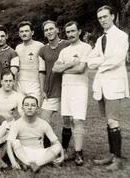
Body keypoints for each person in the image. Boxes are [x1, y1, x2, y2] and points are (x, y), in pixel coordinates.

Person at [88, 5, 130, 171]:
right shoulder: (100, 39)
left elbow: (117, 59)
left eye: (105, 16)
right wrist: (100, 62)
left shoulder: (121, 36)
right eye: (100, 18)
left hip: (114, 84)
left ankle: (118, 160)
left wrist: (99, 63)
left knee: (113, 120)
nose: (103, 20)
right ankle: (112, 155)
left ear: (113, 16)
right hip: (102, 85)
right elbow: (91, 60)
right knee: (108, 120)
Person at [52, 21, 92, 166]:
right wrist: (69, 64)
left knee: (78, 120)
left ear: (79, 31)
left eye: (73, 31)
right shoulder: (64, 51)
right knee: (66, 120)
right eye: (68, 32)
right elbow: (55, 69)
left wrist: (64, 69)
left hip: (80, 87)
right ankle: (65, 150)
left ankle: (78, 153)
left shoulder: (86, 47)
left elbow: (81, 69)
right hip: (66, 87)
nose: (70, 34)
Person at [6, 96, 64, 173]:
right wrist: (13, 162)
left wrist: (62, 156)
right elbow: (9, 144)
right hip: (24, 153)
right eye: (26, 105)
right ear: (22, 108)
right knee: (15, 142)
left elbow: (56, 142)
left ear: (37, 108)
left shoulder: (43, 123)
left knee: (57, 147)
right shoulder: (17, 124)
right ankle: (30, 163)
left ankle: (34, 164)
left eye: (33, 105)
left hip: (40, 153)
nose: (29, 108)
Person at [37, 21, 71, 149]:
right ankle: (46, 148)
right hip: (51, 88)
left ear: (57, 30)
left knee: (67, 120)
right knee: (44, 120)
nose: (49, 32)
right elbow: (42, 71)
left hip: (67, 87)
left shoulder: (67, 45)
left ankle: (65, 149)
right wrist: (42, 89)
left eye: (51, 29)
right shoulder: (42, 50)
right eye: (46, 30)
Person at [15, 21, 44, 104]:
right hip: (20, 85)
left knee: (33, 111)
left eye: (26, 31)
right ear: (19, 34)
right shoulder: (18, 48)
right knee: (21, 111)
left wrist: (42, 89)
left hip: (34, 84)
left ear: (32, 32)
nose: (24, 33)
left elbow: (42, 69)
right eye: (21, 31)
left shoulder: (39, 46)